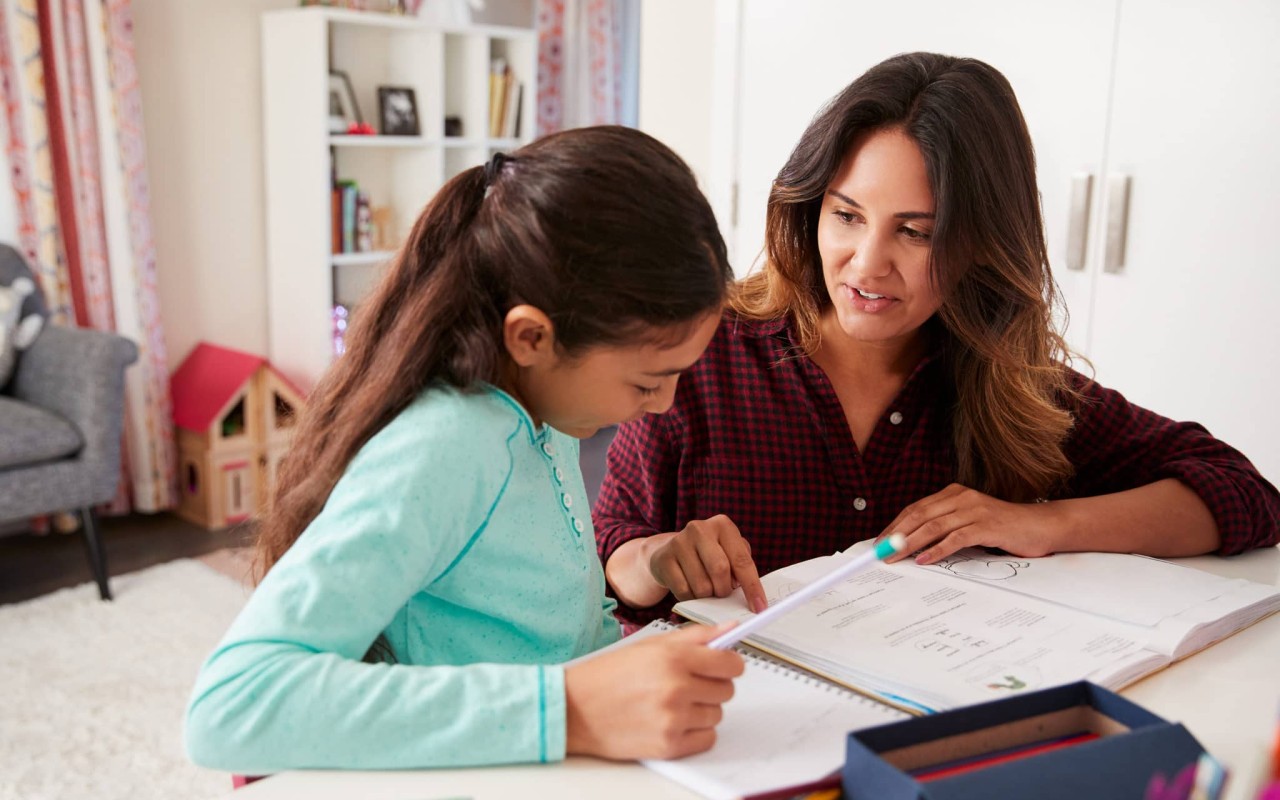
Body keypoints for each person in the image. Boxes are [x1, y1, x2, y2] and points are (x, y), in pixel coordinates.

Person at [595, 52, 1280, 629]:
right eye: (847, 215)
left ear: (981, 244)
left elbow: (1244, 497)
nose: (866, 264)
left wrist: (1044, 524)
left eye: (915, 232)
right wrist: (656, 560)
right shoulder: (704, 353)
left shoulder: (1009, 384)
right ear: (810, 210)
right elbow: (604, 553)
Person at [184, 126, 744, 773]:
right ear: (532, 337)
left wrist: (650, 568)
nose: (666, 404)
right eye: (648, 381)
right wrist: (568, 708)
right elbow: (231, 705)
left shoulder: (544, 407)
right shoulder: (446, 444)